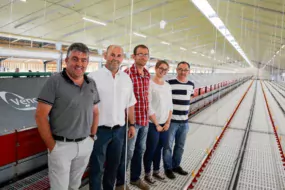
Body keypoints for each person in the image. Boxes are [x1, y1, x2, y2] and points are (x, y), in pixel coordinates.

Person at [35, 43, 100, 190]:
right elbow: (40, 115)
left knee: (74, 185)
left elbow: (95, 112)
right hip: (61, 146)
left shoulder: (91, 83)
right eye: (75, 59)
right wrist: (52, 146)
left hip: (85, 144)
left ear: (88, 62)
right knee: (59, 188)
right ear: (67, 60)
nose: (79, 64)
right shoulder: (54, 82)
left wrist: (91, 137)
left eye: (84, 60)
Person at [88, 45, 136, 190]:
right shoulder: (93, 77)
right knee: (96, 167)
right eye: (112, 55)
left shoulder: (126, 79)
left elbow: (130, 104)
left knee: (114, 166)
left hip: (119, 131)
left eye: (119, 55)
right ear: (105, 56)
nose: (115, 58)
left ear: (122, 58)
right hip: (99, 131)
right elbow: (86, 105)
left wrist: (132, 124)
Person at [116, 44, 150, 190]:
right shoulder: (126, 74)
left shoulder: (148, 74)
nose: (143, 57)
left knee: (139, 151)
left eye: (146, 54)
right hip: (131, 121)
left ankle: (135, 178)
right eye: (140, 54)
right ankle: (121, 183)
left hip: (144, 120)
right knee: (127, 153)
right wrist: (129, 122)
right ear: (134, 56)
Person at [163, 61, 195, 179]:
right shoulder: (169, 83)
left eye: (185, 70)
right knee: (168, 146)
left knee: (180, 146)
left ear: (189, 71)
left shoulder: (191, 84)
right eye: (180, 69)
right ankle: (168, 168)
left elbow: (189, 99)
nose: (183, 72)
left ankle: (176, 165)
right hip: (171, 121)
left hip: (184, 122)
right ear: (176, 70)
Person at [143, 60, 173, 185]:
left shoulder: (167, 85)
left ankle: (156, 171)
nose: (163, 71)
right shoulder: (149, 84)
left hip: (165, 124)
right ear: (155, 68)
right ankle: (147, 174)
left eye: (166, 69)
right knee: (151, 149)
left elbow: (170, 105)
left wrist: (168, 122)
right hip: (153, 124)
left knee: (160, 148)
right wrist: (156, 124)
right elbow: (148, 106)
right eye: (161, 68)